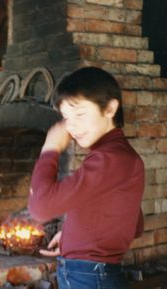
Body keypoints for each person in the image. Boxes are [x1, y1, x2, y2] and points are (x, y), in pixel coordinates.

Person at [28, 66, 144, 289]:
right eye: (65, 118)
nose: (71, 127)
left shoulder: (109, 159)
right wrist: (76, 237)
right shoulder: (121, 156)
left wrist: (50, 148)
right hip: (96, 273)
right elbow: (133, 224)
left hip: (89, 277)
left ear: (110, 108)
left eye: (80, 114)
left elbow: (40, 207)